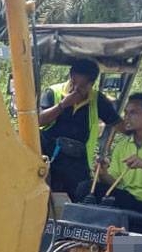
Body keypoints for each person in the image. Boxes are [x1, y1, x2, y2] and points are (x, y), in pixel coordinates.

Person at [78, 93, 142, 235]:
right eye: (126, 112)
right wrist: (103, 173)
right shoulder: (122, 145)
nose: (126, 117)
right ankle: (87, 240)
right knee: (86, 188)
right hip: (130, 197)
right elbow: (115, 182)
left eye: (133, 113)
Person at [39, 59, 123, 199]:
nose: (76, 90)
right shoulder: (53, 93)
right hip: (49, 161)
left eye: (82, 86)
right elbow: (39, 120)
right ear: (70, 77)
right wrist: (63, 105)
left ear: (92, 84)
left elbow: (118, 124)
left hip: (78, 166)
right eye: (73, 83)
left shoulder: (97, 100)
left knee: (77, 199)